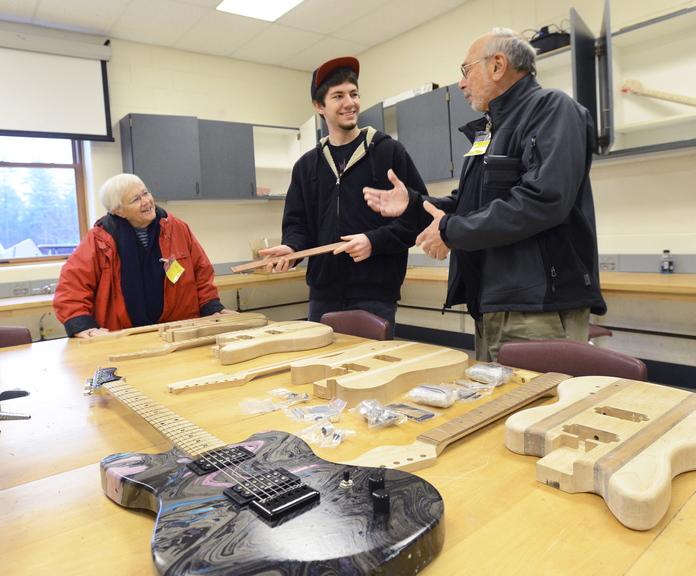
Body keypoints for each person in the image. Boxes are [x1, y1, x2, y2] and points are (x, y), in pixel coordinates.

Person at [363, 28, 607, 361]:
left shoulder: (552, 109)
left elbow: (542, 201)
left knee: (536, 410)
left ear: (497, 66)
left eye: (466, 71)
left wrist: (451, 231)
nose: (461, 84)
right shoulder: (491, 130)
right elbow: (470, 205)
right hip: (494, 303)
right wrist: (416, 204)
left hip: (537, 309)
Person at [258, 56, 428, 338]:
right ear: (319, 106)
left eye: (354, 93)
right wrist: (292, 249)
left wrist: (374, 242)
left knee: (370, 375)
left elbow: (419, 216)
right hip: (323, 295)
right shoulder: (306, 166)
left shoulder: (389, 153)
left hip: (376, 294)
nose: (350, 103)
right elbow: (298, 225)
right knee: (320, 373)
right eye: (338, 96)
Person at [53, 173, 235, 338]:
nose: (146, 201)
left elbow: (200, 272)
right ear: (118, 211)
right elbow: (72, 286)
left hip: (179, 330)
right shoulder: (100, 239)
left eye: (146, 193)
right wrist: (82, 325)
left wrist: (211, 307)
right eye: (135, 200)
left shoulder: (177, 227)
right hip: (123, 335)